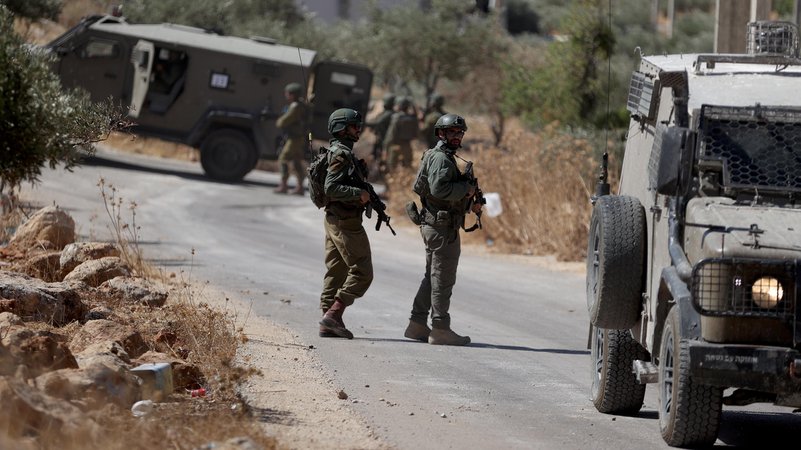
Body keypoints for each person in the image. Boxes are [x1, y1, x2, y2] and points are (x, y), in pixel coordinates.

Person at [404, 113, 481, 346]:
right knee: (442, 279)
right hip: (440, 228)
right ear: (440, 133)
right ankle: (440, 328)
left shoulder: (441, 156)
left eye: (460, 132)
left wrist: (469, 199)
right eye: (452, 132)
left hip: (437, 225)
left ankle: (417, 324)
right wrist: (465, 189)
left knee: (432, 277)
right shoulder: (440, 158)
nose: (457, 136)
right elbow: (439, 189)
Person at [318, 108, 373, 339]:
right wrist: (358, 194)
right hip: (345, 221)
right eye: (353, 126)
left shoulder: (339, 152)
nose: (358, 130)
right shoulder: (341, 154)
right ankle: (333, 313)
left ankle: (329, 321)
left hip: (334, 218)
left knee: (337, 270)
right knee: (362, 271)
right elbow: (331, 187)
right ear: (341, 129)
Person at [275, 82, 309, 195]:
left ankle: (283, 185)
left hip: (294, 139)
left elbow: (284, 121)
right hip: (298, 138)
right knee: (296, 161)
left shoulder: (295, 107)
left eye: (288, 93)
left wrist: (279, 121)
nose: (286, 95)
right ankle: (300, 188)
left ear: (292, 95)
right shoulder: (300, 105)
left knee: (283, 158)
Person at [383, 96, 419, 170]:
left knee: (392, 167)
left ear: (399, 105)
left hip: (395, 146)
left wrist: (385, 147)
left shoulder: (396, 118)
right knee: (408, 167)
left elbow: (391, 135)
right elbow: (416, 134)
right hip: (407, 146)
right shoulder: (413, 118)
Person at [364, 93, 395, 166]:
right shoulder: (386, 112)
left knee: (380, 156)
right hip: (380, 137)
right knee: (376, 154)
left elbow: (377, 122)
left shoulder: (388, 113)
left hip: (384, 138)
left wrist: (364, 123)